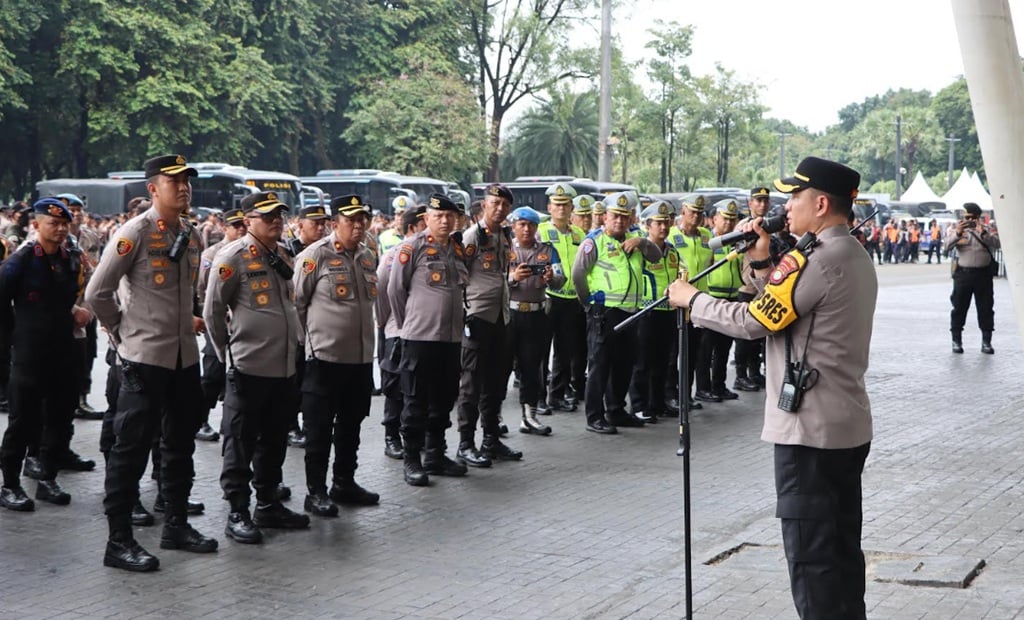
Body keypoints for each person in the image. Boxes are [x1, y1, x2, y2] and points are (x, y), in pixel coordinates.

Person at [668, 156, 875, 619]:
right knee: (841, 555)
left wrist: (692, 300)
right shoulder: (851, 253)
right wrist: (763, 262)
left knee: (813, 562)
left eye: (793, 197)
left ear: (821, 204)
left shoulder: (818, 259)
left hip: (809, 435)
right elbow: (787, 310)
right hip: (844, 428)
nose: (786, 206)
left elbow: (755, 320)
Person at [86, 154, 217, 572]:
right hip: (144, 359)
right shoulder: (133, 233)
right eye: (173, 181)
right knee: (131, 447)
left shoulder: (191, 234)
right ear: (152, 189)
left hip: (182, 358)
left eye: (186, 181)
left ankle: (175, 524)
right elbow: (97, 293)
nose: (183, 187)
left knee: (179, 444)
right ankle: (119, 540)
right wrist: (122, 333)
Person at [204, 191, 309, 543]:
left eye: (279, 214)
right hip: (248, 367)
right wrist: (227, 357)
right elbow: (212, 313)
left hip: (283, 367)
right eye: (268, 216)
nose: (277, 221)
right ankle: (237, 510)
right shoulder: (231, 256)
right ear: (247, 221)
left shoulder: (282, 254)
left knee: (275, 438)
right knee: (240, 440)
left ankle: (267, 503)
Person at [293, 194, 381, 517]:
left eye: (362, 220)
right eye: (350, 221)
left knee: (351, 424)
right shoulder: (314, 256)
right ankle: (315, 491)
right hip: (324, 359)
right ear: (335, 224)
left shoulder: (368, 257)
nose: (357, 226)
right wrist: (308, 346)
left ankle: (344, 482)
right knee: (319, 428)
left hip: (358, 359)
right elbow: (296, 306)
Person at [0, 198, 88, 511]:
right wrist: (13, 340)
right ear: (36, 225)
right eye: (54, 223)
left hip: (62, 348)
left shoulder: (68, 257)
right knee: (23, 419)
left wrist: (77, 311)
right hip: (29, 351)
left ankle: (47, 476)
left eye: (65, 223)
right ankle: (9, 483)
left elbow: (64, 299)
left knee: (60, 416)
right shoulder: (20, 261)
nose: (62, 229)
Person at [386, 194, 470, 486]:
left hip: (451, 338)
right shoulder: (412, 248)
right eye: (439, 216)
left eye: (450, 216)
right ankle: (412, 459)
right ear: (427, 219)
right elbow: (396, 290)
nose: (445, 221)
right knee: (415, 400)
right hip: (419, 337)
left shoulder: (457, 248)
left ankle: (435, 453)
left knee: (444, 397)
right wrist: (408, 323)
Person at [573, 191, 662, 434]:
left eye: (624, 217)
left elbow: (657, 256)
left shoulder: (636, 239)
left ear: (631, 218)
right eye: (615, 216)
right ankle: (594, 416)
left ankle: (616, 410)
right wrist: (588, 304)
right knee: (600, 365)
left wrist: (643, 242)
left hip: (631, 312)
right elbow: (578, 275)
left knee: (624, 363)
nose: (619, 221)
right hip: (604, 312)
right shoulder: (594, 242)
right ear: (604, 217)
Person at [454, 183, 523, 468]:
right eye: (495, 204)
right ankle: (465, 443)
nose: (500, 209)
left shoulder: (505, 236)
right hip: (478, 316)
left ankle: (491, 439)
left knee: (496, 383)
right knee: (471, 383)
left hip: (500, 318)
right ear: (484, 206)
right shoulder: (472, 236)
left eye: (505, 205)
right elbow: (460, 274)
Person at [506, 206, 564, 436]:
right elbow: (491, 280)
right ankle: (495, 419)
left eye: (530, 225)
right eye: (521, 224)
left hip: (536, 314)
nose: (526, 229)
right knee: (501, 367)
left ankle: (529, 416)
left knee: (533, 367)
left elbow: (561, 280)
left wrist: (552, 278)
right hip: (509, 313)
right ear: (513, 226)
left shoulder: (548, 251)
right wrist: (513, 278)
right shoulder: (504, 250)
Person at [375, 207, 427, 460]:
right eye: (425, 223)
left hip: (425, 333)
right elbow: (383, 290)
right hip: (399, 329)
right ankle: (391, 436)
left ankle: (417, 436)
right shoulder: (394, 254)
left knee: (419, 388)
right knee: (396, 386)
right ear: (412, 228)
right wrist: (393, 323)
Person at [195, 207, 247, 443]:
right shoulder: (211, 255)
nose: (241, 230)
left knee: (238, 376)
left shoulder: (249, 252)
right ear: (225, 228)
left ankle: (232, 422)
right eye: (235, 226)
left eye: (243, 225)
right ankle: (200, 419)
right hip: (217, 320)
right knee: (213, 372)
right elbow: (202, 291)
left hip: (243, 323)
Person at [627, 200, 680, 422]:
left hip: (667, 311)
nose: (663, 227)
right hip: (646, 311)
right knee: (642, 361)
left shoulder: (673, 251)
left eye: (666, 222)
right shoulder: (640, 250)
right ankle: (638, 405)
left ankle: (657, 402)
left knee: (664, 360)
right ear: (648, 225)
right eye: (658, 223)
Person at [538, 182, 587, 414]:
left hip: (571, 299)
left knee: (565, 351)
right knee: (540, 350)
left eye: (565, 205)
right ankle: (538, 398)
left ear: (571, 208)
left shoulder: (579, 234)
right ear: (549, 207)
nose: (561, 209)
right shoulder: (541, 231)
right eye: (556, 205)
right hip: (548, 297)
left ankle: (557, 395)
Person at [694, 199, 743, 402]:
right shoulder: (709, 243)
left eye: (732, 219)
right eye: (725, 219)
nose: (729, 223)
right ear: (714, 219)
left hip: (731, 297)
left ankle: (719, 385)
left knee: (724, 347)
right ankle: (703, 388)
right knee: (706, 348)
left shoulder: (738, 242)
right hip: (712, 297)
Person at [945, 202, 1000, 354]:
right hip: (963, 275)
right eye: (965, 216)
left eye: (970, 217)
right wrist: (957, 233)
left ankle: (986, 342)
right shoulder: (958, 230)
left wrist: (983, 233)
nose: (967, 219)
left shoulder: (986, 231)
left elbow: (998, 244)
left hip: (983, 275)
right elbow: (946, 247)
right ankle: (956, 341)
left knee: (986, 308)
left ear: (977, 217)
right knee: (959, 308)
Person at [733, 187, 771, 392]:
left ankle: (755, 372)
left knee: (760, 334)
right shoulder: (744, 226)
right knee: (744, 335)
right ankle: (740, 375)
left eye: (765, 200)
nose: (762, 204)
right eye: (758, 201)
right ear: (750, 204)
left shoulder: (769, 225)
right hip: (747, 286)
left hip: (763, 288)